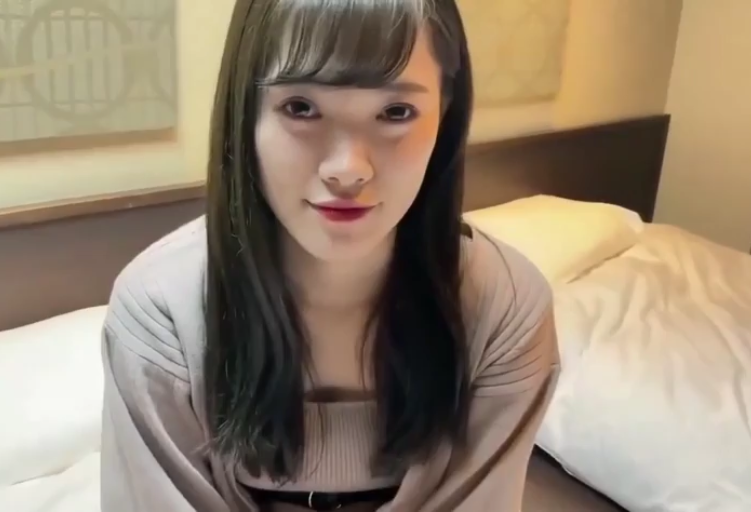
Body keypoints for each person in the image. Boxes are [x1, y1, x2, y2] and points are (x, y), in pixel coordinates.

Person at [99, 0, 560, 510]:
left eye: (396, 112)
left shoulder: (505, 309)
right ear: (245, 112)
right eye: (301, 107)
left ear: (445, 115)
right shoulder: (161, 314)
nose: (347, 169)